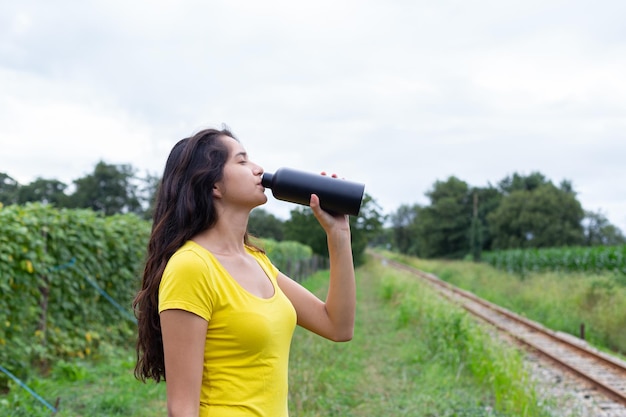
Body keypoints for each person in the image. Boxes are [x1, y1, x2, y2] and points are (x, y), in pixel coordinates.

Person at [133, 127, 356, 417]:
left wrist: (338, 235)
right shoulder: (191, 267)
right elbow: (182, 408)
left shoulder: (257, 261)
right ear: (214, 185)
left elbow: (337, 326)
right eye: (242, 161)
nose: (258, 169)